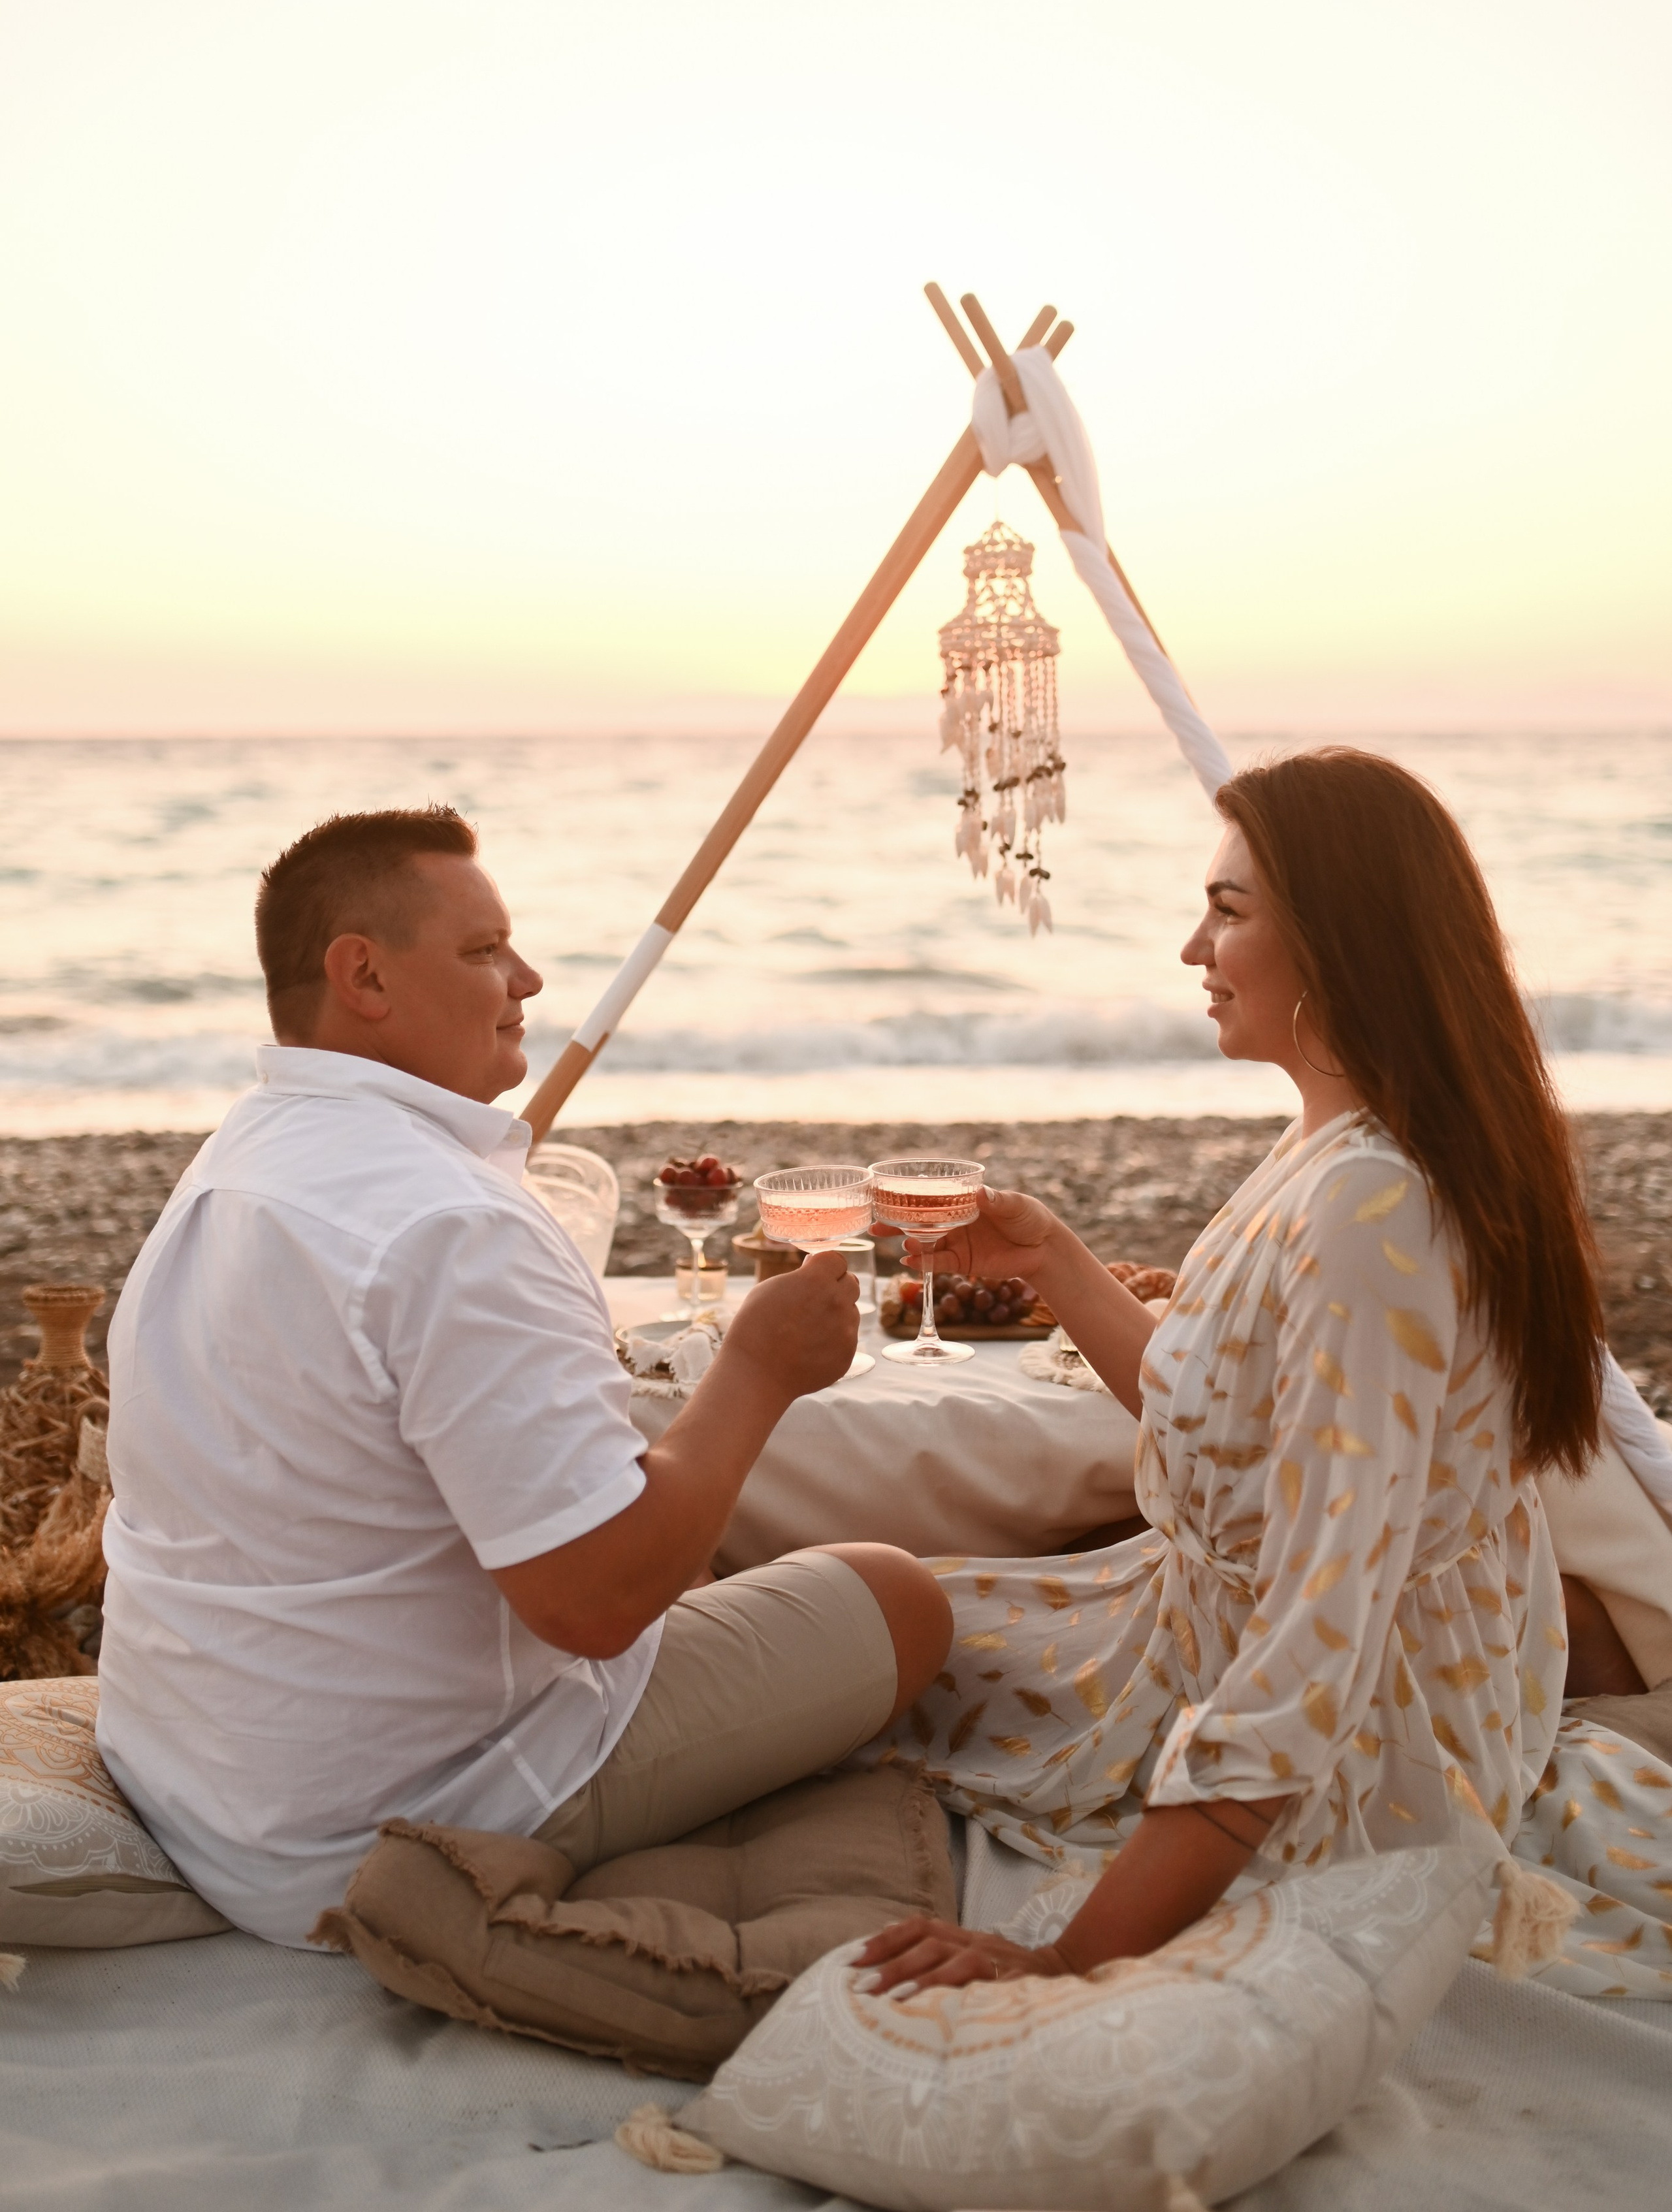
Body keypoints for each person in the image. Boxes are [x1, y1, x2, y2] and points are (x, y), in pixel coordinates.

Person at [853, 745, 1653, 1996]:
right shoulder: (1339, 1132)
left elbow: (1316, 1634)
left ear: (1341, 942)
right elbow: (1217, 1423)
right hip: (1205, 1623)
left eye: (1227, 911)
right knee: (880, 1620)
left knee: (870, 1658)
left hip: (1364, 1742)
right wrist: (1058, 1260)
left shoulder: (1370, 1208)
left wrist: (1069, 1954)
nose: (1191, 948)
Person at [96, 806, 950, 1945]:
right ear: (364, 975)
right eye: (483, 950)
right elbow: (594, 1604)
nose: (528, 978)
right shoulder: (452, 1219)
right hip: (378, 1825)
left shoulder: (239, 1159)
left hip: (206, 1777)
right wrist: (758, 1366)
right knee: (901, 1592)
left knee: (699, 1537)